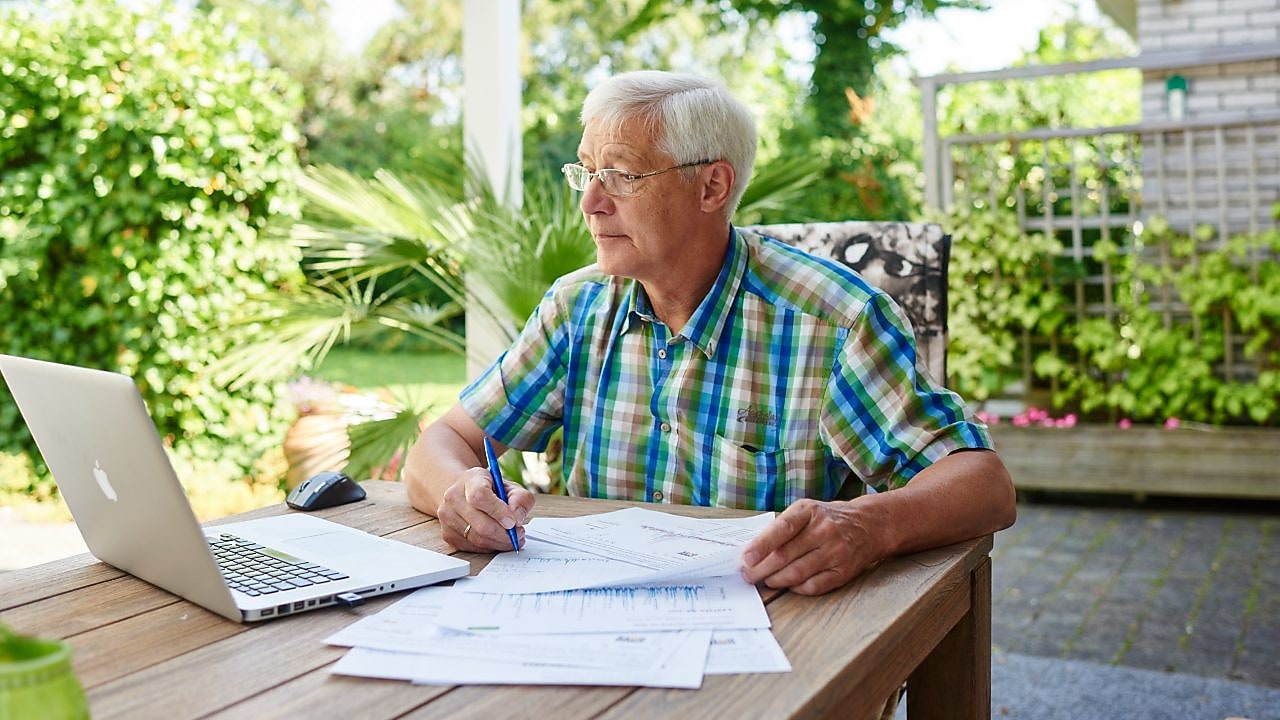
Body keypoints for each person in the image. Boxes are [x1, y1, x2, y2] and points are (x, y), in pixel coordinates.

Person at [404, 70, 1016, 597]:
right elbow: (442, 442)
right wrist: (460, 491)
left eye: (619, 175)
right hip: (586, 621)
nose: (590, 202)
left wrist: (868, 525)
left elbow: (984, 487)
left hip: (780, 635)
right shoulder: (578, 306)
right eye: (586, 172)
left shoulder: (836, 321)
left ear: (712, 187)